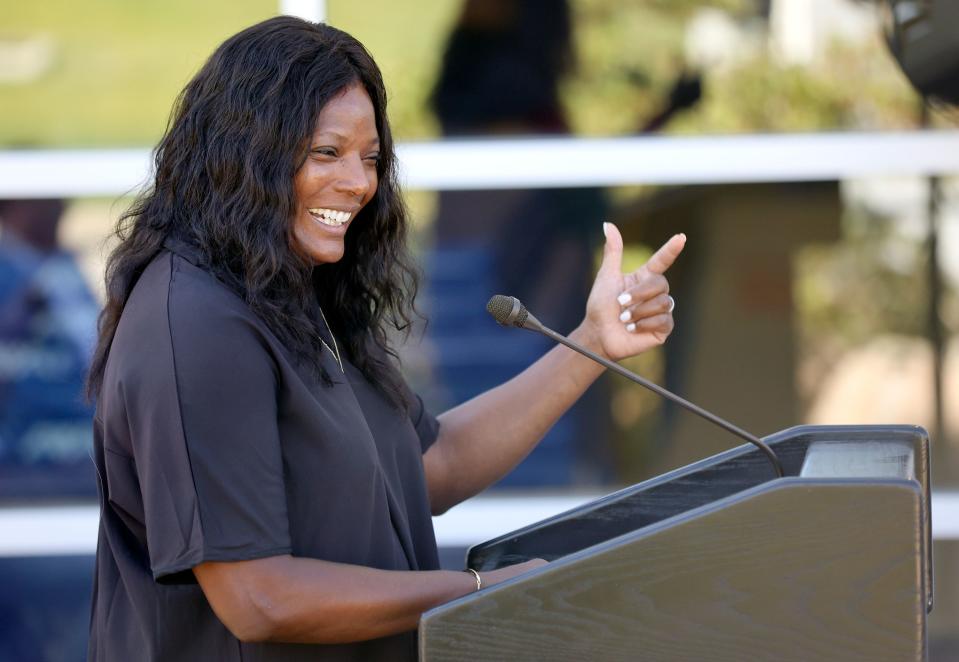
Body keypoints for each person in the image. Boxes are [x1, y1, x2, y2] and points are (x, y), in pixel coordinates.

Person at [85, 16, 685, 662]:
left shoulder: (292, 293)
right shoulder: (196, 323)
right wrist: (475, 590)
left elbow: (431, 466)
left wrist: (590, 342)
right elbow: (257, 596)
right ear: (246, 150)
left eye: (370, 158)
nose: (359, 182)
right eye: (327, 152)